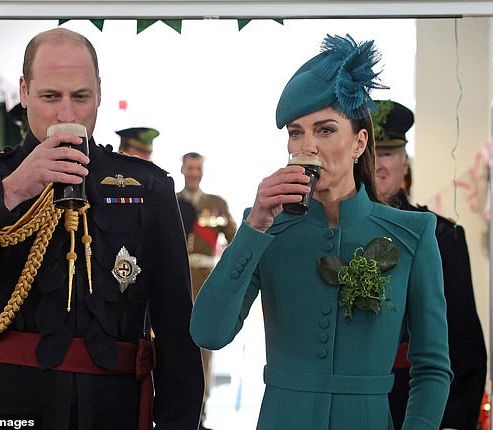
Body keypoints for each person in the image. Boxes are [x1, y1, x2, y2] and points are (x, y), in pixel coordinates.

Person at [0, 28, 203, 430]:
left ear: (99, 93)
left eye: (80, 97)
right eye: (51, 97)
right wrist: (11, 191)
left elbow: (176, 337)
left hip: (113, 410)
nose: (66, 115)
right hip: (7, 407)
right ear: (24, 91)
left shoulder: (148, 187)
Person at [190, 34, 453, 429]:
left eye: (325, 130)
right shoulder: (265, 227)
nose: (307, 146)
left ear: (359, 141)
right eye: (296, 132)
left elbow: (433, 367)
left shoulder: (413, 233)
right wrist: (255, 225)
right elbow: (208, 332)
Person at [373, 99, 487, 430]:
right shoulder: (338, 234)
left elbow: (465, 348)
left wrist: (453, 421)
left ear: (405, 163)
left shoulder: (442, 235)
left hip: (420, 404)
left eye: (388, 154)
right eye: (371, 154)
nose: (378, 165)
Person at [177, 152, 237, 430]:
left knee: (202, 350)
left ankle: (199, 415)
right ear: (182, 169)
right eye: (189, 167)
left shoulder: (216, 205)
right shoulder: (171, 202)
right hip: (175, 280)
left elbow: (236, 243)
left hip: (203, 285)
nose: (193, 172)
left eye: (197, 168)